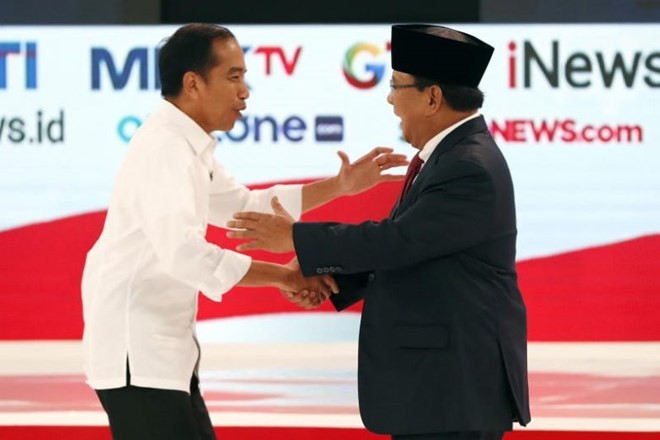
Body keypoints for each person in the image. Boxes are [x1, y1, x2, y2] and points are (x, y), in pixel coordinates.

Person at [81, 23, 407, 440]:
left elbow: (246, 208)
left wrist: (340, 186)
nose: (245, 91)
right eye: (233, 77)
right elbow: (184, 254)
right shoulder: (166, 150)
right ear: (193, 84)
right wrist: (284, 275)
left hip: (161, 354)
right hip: (138, 354)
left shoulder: (188, 146)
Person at [226, 24, 531, 440]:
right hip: (440, 388)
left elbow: (397, 242)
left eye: (396, 86)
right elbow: (414, 249)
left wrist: (298, 239)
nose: (390, 99)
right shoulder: (450, 157)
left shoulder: (467, 167)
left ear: (433, 97)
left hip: (452, 388)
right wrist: (331, 280)